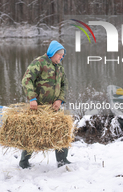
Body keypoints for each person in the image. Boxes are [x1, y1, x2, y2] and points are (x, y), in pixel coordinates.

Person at [19, 40, 71, 169]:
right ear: (53, 53)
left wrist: (60, 100)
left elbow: (64, 84)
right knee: (33, 133)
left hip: (54, 108)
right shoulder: (39, 62)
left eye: (63, 55)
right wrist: (32, 99)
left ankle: (62, 160)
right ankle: (24, 162)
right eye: (60, 55)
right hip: (39, 107)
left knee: (62, 131)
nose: (62, 57)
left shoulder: (59, 67)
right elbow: (27, 80)